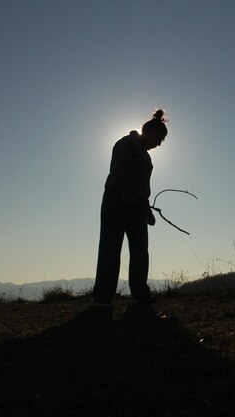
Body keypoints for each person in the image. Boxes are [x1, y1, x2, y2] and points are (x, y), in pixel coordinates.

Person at [92, 109, 168, 305]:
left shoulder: (146, 156)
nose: (159, 144)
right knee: (110, 247)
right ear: (149, 132)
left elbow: (141, 185)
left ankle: (140, 293)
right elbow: (117, 173)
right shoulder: (125, 144)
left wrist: (146, 209)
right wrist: (126, 197)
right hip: (116, 202)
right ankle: (102, 296)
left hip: (137, 206)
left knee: (140, 249)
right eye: (159, 139)